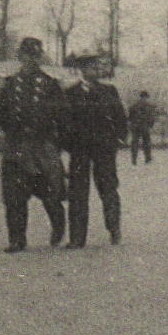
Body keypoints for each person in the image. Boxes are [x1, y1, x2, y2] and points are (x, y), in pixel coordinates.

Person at [0, 37, 67, 252]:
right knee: (14, 196)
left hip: (42, 147)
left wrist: (55, 142)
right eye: (26, 55)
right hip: (16, 147)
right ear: (20, 57)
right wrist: (11, 134)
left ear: (40, 58)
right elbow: (1, 113)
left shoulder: (51, 85)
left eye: (35, 56)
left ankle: (58, 224)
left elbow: (62, 115)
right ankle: (17, 239)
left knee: (49, 194)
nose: (30, 60)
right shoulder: (10, 84)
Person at [61, 52, 129, 248]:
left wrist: (118, 139)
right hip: (80, 150)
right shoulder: (71, 94)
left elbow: (120, 118)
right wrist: (70, 144)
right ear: (83, 69)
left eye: (97, 67)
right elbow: (65, 122)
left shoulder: (109, 91)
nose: (97, 71)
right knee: (77, 193)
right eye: (91, 67)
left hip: (104, 149)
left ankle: (114, 228)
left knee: (108, 189)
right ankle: (77, 238)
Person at [127, 91, 157, 165]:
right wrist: (150, 125)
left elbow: (130, 118)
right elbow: (152, 118)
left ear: (140, 96)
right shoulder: (149, 106)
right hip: (144, 127)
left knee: (134, 143)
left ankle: (134, 160)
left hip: (135, 126)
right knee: (146, 143)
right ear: (146, 97)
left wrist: (131, 125)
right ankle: (147, 159)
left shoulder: (133, 106)